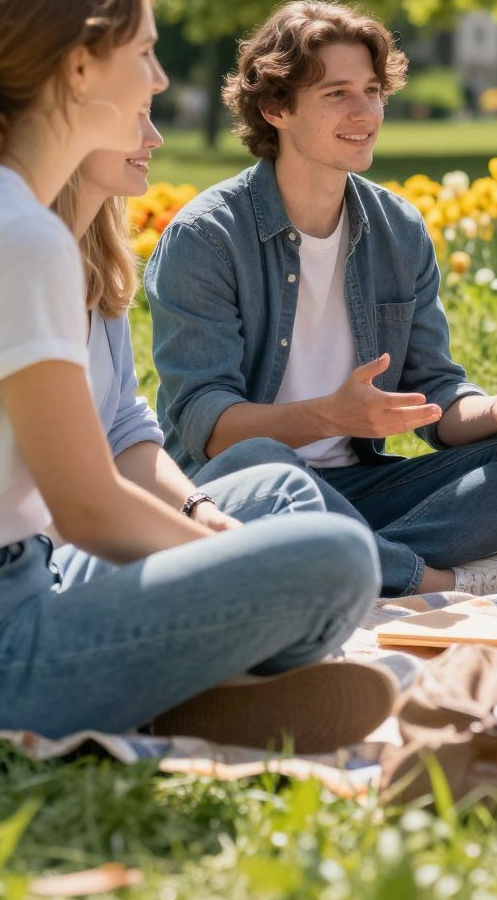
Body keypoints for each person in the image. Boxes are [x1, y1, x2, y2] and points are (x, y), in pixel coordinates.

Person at [0, 0, 389, 749]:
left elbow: (100, 473)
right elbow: (87, 508)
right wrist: (220, 570)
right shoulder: (11, 231)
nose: (157, 78)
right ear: (80, 67)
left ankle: (163, 684)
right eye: (144, 53)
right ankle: (180, 684)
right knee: (334, 559)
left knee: (275, 507)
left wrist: (211, 538)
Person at [146, 0, 497, 599]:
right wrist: (331, 414)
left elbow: (434, 390)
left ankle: (339, 560)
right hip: (243, 490)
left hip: (364, 490)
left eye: (373, 90)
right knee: (262, 465)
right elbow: (211, 429)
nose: (366, 112)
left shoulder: (397, 229)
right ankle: (431, 579)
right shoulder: (206, 238)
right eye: (336, 94)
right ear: (276, 108)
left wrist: (494, 414)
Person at [51, 111, 344, 580]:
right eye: (134, 116)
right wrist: (206, 548)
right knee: (312, 551)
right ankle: (403, 575)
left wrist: (198, 510)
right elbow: (76, 495)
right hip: (46, 560)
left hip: (108, 529)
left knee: (290, 495)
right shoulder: (20, 268)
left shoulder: (95, 269)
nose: (155, 137)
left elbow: (124, 427)